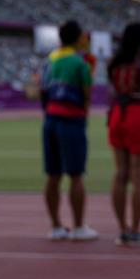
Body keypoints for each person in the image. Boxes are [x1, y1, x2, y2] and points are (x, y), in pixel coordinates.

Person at [40, 20, 97, 241]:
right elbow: (87, 95)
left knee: (53, 176)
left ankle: (55, 226)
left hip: (50, 120)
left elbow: (43, 92)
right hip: (71, 121)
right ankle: (79, 226)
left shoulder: (50, 60)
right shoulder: (80, 63)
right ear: (78, 38)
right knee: (75, 175)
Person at [106, 22, 140, 247]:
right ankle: (136, 230)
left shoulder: (114, 63)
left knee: (120, 174)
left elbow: (111, 92)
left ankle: (122, 228)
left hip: (118, 114)